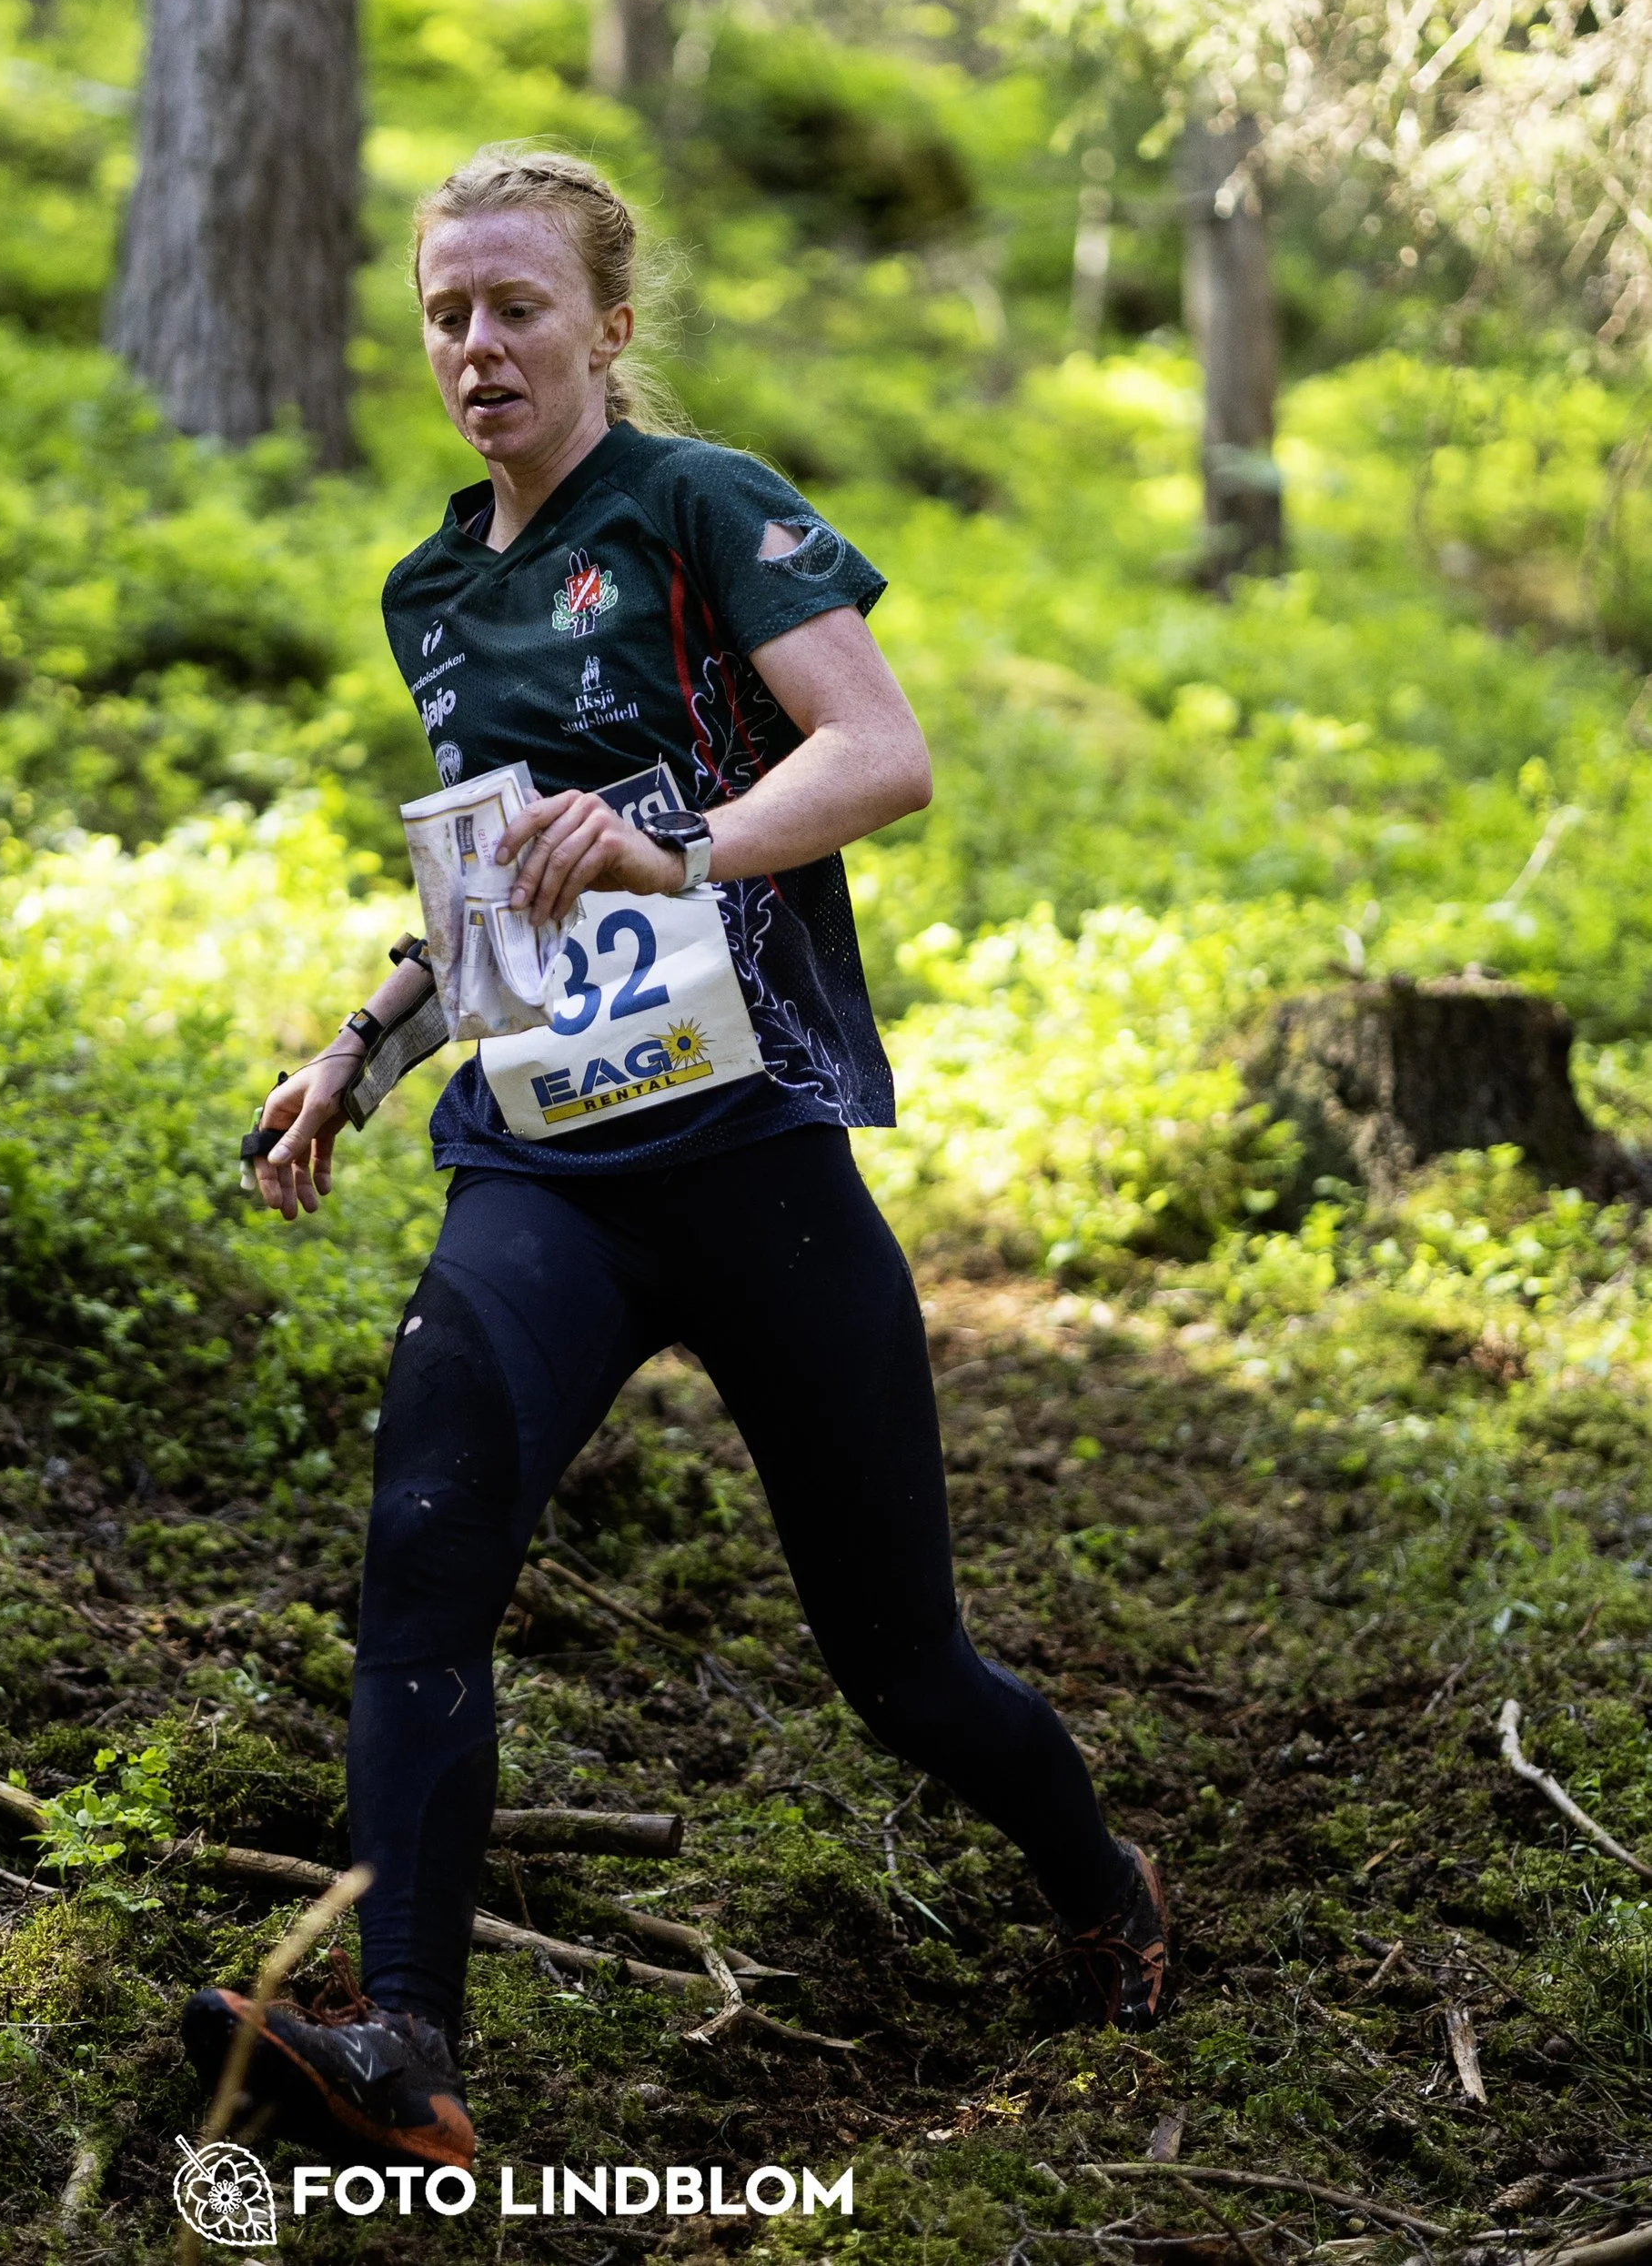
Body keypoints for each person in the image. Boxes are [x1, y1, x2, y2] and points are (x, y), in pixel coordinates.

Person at [180, 146, 1168, 2171]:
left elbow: (876, 752)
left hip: (750, 1158)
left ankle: (1100, 1881)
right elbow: (497, 901)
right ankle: (408, 2045)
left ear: (605, 326)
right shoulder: (433, 587)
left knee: (899, 1664)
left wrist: (678, 844)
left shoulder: (697, 501)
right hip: (538, 1165)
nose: (474, 347)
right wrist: (357, 1050)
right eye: (444, 312)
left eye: (514, 308)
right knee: (423, 1561)